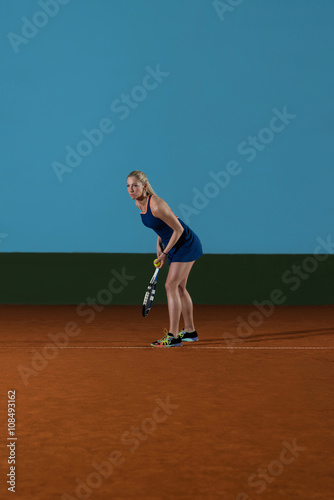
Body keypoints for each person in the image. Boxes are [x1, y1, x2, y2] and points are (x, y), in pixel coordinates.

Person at [126, 170, 203, 347]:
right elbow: (163, 226)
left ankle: (173, 336)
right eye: (128, 186)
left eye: (135, 186)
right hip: (172, 244)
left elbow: (178, 229)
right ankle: (190, 331)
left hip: (186, 244)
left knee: (170, 285)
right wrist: (159, 244)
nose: (131, 189)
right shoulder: (139, 204)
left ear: (144, 186)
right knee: (180, 287)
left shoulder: (156, 204)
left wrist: (164, 253)